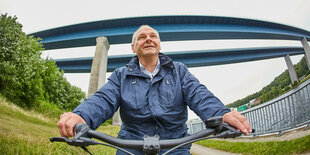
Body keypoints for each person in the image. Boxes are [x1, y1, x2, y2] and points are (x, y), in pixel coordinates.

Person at [58, 25, 252, 154]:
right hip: (131, 146)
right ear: (133, 48)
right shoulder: (121, 75)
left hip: (176, 145)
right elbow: (104, 99)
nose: (148, 39)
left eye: (153, 36)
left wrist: (221, 114)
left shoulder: (179, 71)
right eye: (142, 37)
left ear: (159, 44)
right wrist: (81, 115)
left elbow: (198, 94)